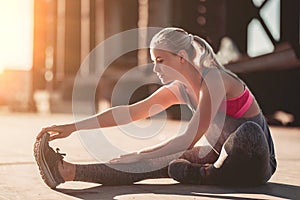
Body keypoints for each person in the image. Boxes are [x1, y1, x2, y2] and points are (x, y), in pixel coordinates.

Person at [34, 27, 277, 189]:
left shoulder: (214, 79)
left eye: (161, 61)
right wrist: (73, 127)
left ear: (181, 57)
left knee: (248, 133)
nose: (156, 69)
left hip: (256, 161)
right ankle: (66, 172)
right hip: (217, 157)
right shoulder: (179, 89)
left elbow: (187, 139)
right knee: (150, 161)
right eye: (153, 62)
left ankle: (206, 174)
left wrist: (142, 153)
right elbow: (129, 113)